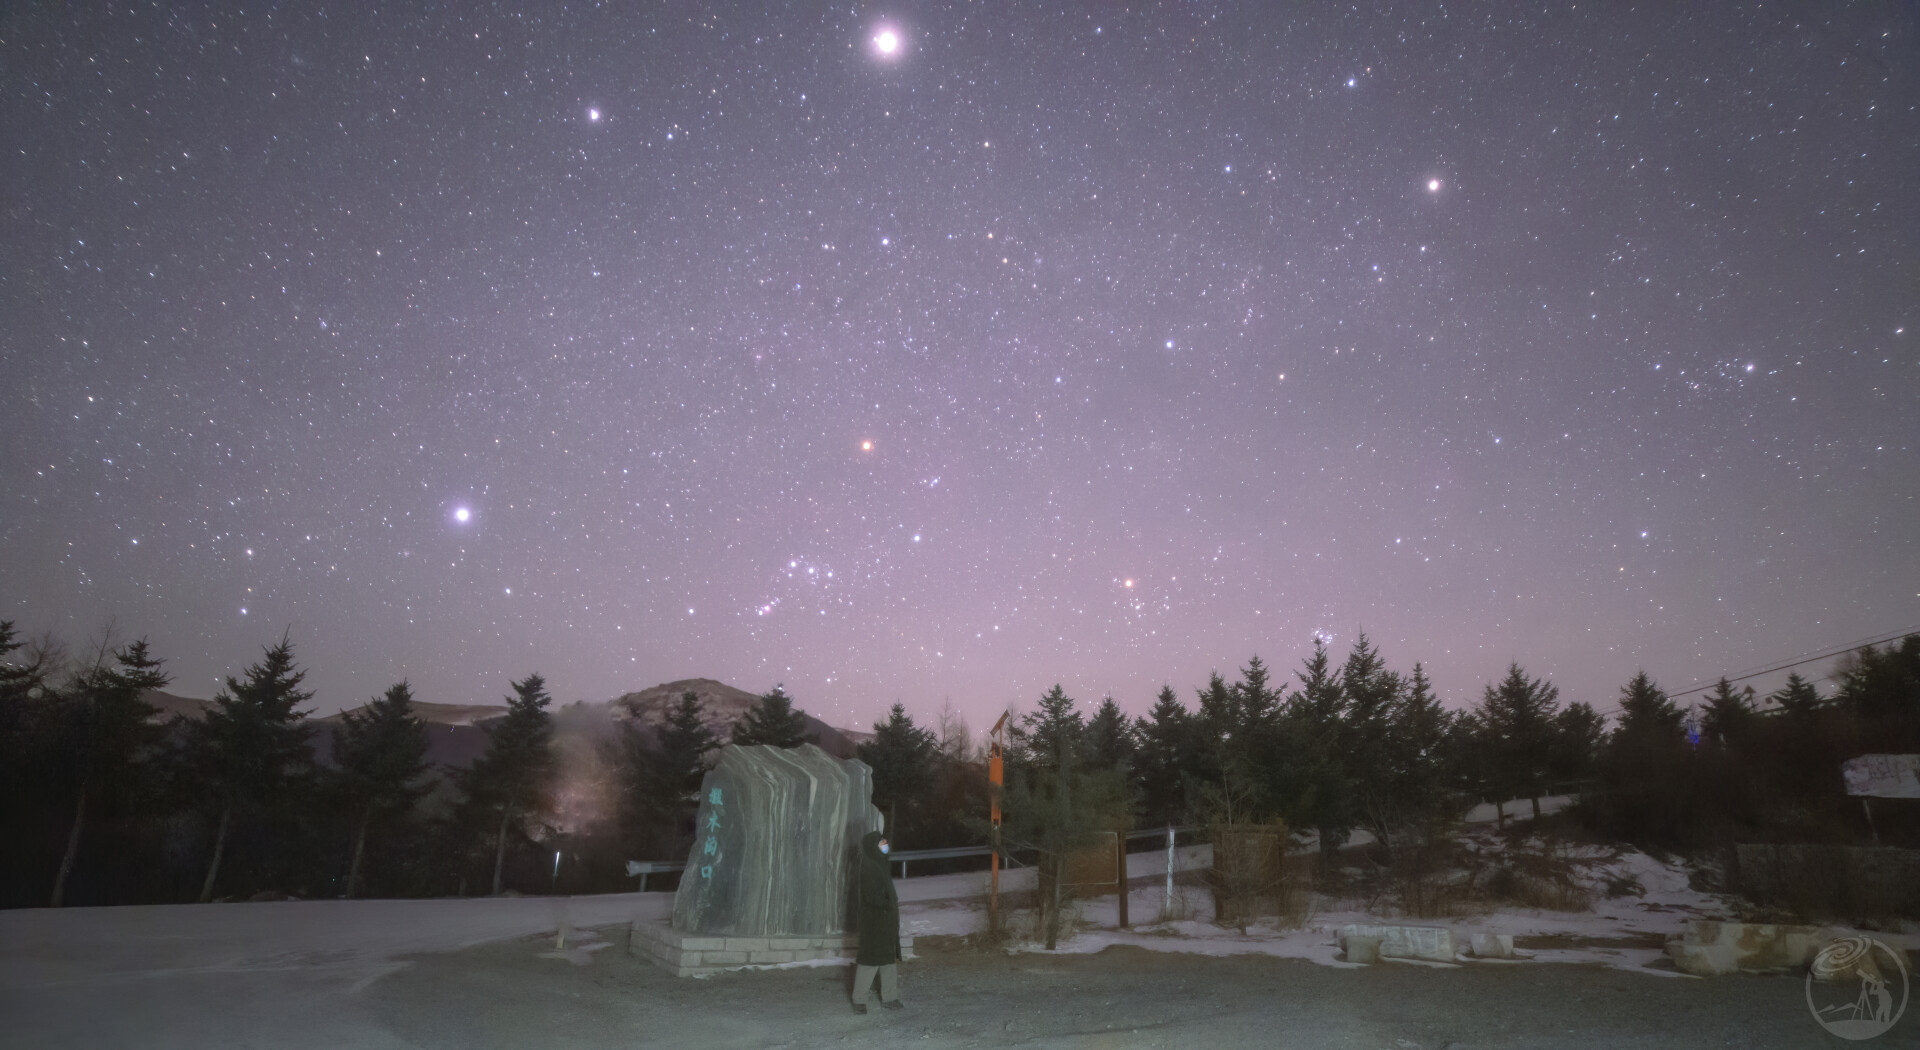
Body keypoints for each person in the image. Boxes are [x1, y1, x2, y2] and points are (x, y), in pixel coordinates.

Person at [851, 830, 902, 1014]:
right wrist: (888, 902)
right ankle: (859, 1000)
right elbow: (872, 897)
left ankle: (890, 997)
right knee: (870, 961)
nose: (885, 844)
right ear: (873, 846)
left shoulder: (880, 864)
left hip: (886, 923)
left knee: (888, 961)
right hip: (874, 924)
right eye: (881, 842)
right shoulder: (868, 867)